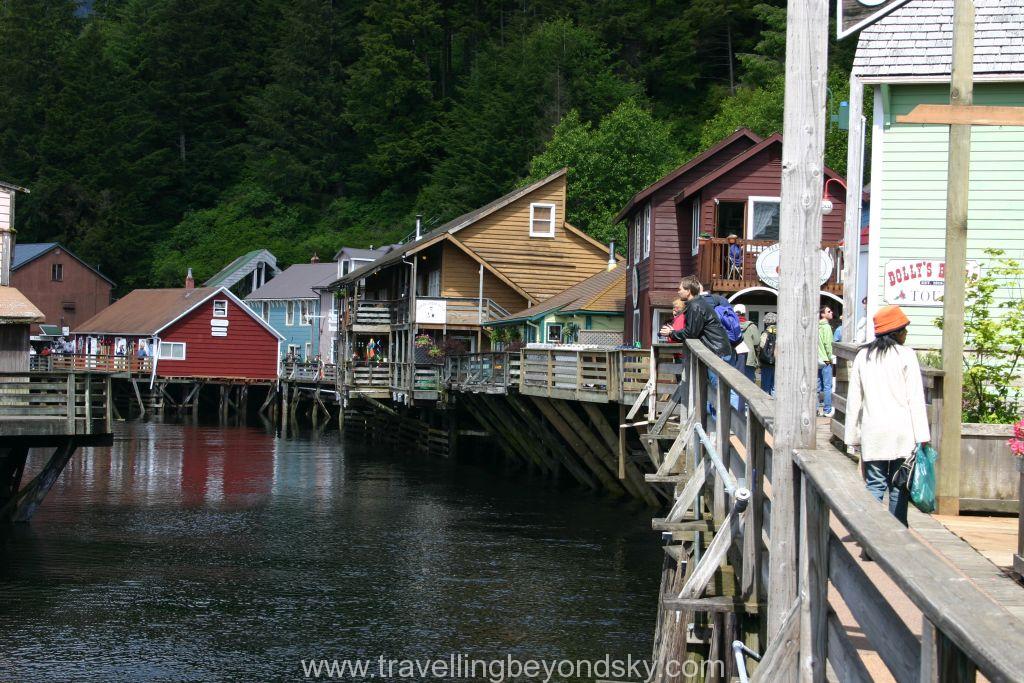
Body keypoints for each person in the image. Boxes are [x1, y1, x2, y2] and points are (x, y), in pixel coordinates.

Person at [845, 305, 930, 527]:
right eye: (904, 329)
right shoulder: (906, 355)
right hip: (902, 432)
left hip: (874, 433)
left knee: (875, 485)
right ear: (896, 332)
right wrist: (923, 435)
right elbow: (915, 398)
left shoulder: (864, 356)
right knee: (898, 485)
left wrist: (851, 436)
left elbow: (854, 398)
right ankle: (897, 534)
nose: (906, 334)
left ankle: (870, 537)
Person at [659, 276, 731, 358]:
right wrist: (674, 332)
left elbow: (690, 333)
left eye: (680, 289)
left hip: (716, 352)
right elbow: (692, 330)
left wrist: (671, 333)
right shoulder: (697, 303)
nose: (678, 292)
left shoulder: (695, 306)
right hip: (717, 350)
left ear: (688, 291)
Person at [817, 305, 835, 417]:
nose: (831, 312)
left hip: (817, 360)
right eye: (829, 311)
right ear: (823, 314)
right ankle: (827, 410)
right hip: (826, 360)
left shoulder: (816, 327)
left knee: (816, 387)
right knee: (827, 386)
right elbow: (828, 345)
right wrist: (831, 357)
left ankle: (815, 409)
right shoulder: (826, 327)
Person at [758, 312, 777, 395]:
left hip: (766, 362)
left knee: (765, 385)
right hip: (778, 363)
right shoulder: (781, 332)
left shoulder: (765, 333)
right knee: (775, 385)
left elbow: (761, 345)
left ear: (766, 322)